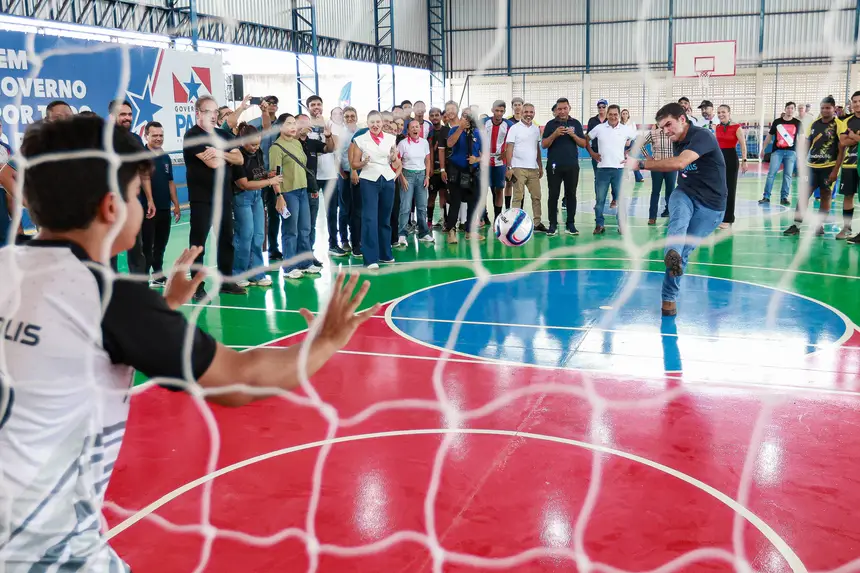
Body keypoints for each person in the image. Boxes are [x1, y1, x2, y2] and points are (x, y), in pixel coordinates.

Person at [0, 115, 378, 573]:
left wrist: (164, 308)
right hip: (47, 549)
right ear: (111, 207)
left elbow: (66, 345)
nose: (140, 202)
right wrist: (326, 342)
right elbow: (237, 380)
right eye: (137, 193)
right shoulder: (108, 299)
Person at [627, 102, 727, 317]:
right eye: (661, 127)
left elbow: (681, 163)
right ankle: (671, 257)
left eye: (668, 125)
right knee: (678, 220)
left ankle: (669, 296)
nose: (665, 131)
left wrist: (641, 165)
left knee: (685, 251)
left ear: (682, 119)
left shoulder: (702, 136)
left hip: (711, 206)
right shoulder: (677, 140)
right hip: (685, 193)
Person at [182, 95, 246, 300]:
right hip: (202, 198)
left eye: (216, 111)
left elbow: (240, 158)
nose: (213, 115)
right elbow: (213, 164)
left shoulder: (223, 135)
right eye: (208, 111)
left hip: (223, 197)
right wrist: (226, 157)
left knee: (227, 239)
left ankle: (226, 282)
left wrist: (220, 153)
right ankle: (196, 286)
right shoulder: (192, 135)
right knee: (199, 243)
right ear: (198, 113)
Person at [783, 96, 844, 237]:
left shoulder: (839, 125)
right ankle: (796, 225)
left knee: (825, 195)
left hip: (829, 167)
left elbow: (842, 149)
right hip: (811, 166)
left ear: (834, 109)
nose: (825, 110)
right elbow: (807, 143)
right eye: (822, 108)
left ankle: (819, 225)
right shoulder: (814, 124)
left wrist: (836, 170)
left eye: (828, 108)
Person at [270, 114, 319, 279]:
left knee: (305, 228)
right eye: (289, 123)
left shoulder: (297, 143)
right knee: (290, 230)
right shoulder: (276, 148)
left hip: (302, 190)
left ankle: (305, 262)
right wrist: (279, 195)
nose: (293, 127)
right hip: (288, 193)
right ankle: (290, 267)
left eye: (294, 123)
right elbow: (274, 175)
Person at [232, 122, 281, 287]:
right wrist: (270, 181)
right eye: (252, 144)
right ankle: (238, 273)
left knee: (259, 235)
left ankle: (257, 273)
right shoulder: (237, 155)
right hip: (242, 198)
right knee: (245, 235)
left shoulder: (258, 152)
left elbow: (257, 174)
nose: (255, 147)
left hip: (257, 197)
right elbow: (244, 184)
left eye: (258, 144)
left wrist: (267, 175)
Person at [351, 110, 400, 268]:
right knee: (370, 219)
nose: (375, 125)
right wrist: (363, 163)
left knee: (385, 219)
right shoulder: (360, 140)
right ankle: (370, 258)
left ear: (382, 123)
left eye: (378, 122)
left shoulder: (391, 138)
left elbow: (395, 162)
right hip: (369, 180)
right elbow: (354, 164)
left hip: (387, 179)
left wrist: (393, 157)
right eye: (372, 122)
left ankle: (385, 254)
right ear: (367, 123)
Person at [142, 121, 181, 286]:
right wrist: (150, 201)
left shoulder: (165, 157)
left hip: (164, 208)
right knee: (146, 246)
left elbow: (170, 182)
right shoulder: (142, 156)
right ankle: (142, 280)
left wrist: (176, 204)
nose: (159, 138)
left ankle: (158, 275)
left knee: (160, 244)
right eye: (155, 135)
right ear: (146, 136)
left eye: (161, 135)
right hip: (148, 210)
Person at [586, 104, 636, 235]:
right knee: (600, 200)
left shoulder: (625, 129)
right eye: (611, 114)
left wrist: (629, 153)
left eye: (615, 114)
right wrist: (592, 153)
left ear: (619, 115)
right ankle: (599, 224)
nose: (613, 117)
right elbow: (587, 138)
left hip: (619, 170)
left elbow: (638, 139)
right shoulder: (599, 128)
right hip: (602, 169)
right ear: (607, 114)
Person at [541, 97, 587, 236]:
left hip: (572, 165)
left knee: (571, 195)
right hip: (554, 166)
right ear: (556, 110)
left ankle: (570, 224)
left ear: (569, 108)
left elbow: (583, 144)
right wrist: (554, 134)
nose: (562, 111)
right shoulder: (550, 124)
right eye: (559, 109)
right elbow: (544, 144)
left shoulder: (576, 123)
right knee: (553, 195)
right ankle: (552, 224)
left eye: (564, 108)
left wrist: (574, 135)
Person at [504, 103, 546, 234]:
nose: (528, 114)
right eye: (526, 112)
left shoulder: (536, 129)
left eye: (531, 112)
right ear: (522, 113)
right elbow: (509, 148)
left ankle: (537, 223)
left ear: (534, 113)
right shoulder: (514, 128)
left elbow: (537, 149)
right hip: (518, 168)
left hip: (533, 169)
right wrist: (509, 167)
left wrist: (540, 166)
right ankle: (514, 223)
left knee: (536, 196)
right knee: (518, 196)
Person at [445, 109, 483, 243]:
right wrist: (460, 129)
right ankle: (451, 231)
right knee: (455, 202)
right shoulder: (454, 130)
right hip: (456, 171)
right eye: (464, 116)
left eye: (469, 117)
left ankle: (470, 231)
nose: (467, 119)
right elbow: (449, 144)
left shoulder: (478, 133)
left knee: (473, 202)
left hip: (472, 172)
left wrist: (476, 159)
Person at [396, 119, 434, 245]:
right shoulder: (402, 144)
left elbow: (427, 160)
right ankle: (402, 234)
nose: (415, 129)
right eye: (412, 127)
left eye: (417, 127)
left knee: (422, 206)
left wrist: (427, 177)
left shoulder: (424, 143)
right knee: (405, 206)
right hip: (407, 175)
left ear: (420, 129)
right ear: (408, 130)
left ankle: (424, 233)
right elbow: (398, 162)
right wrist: (402, 178)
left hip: (421, 175)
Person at [760, 101, 800, 206]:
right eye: (788, 108)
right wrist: (763, 148)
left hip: (791, 152)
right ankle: (766, 196)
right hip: (777, 152)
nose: (790, 110)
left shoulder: (797, 123)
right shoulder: (777, 122)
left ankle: (784, 197)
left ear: (794, 110)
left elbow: (801, 138)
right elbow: (769, 136)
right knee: (771, 174)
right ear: (785, 109)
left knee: (788, 175)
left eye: (792, 108)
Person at [714, 105, 748, 229]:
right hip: (718, 159)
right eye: (719, 112)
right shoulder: (717, 127)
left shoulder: (736, 127)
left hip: (731, 159)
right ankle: (719, 215)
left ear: (729, 113)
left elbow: (743, 145)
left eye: (723, 112)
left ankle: (728, 218)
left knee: (730, 189)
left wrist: (744, 161)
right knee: (719, 189)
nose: (721, 114)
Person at [483, 100, 514, 223]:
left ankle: (497, 217)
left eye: (502, 111)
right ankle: (484, 215)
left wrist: (506, 153)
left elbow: (512, 143)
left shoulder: (509, 125)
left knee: (499, 189)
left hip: (500, 162)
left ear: (504, 111)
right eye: (497, 110)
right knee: (483, 190)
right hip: (484, 161)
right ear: (492, 110)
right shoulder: (484, 122)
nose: (499, 113)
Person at [837, 90, 860, 242]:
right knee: (848, 196)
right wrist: (856, 137)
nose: (857, 104)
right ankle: (846, 227)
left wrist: (852, 135)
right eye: (854, 102)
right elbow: (843, 141)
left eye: (859, 101)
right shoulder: (847, 121)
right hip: (849, 164)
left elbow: (849, 138)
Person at [643, 121, 676, 224]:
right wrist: (648, 157)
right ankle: (652, 217)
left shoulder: (674, 132)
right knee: (655, 191)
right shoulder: (653, 133)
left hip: (671, 166)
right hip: (657, 167)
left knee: (670, 191)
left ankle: (670, 212)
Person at [428, 106, 449, 228]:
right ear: (429, 117)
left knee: (443, 194)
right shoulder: (428, 132)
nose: (435, 117)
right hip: (432, 169)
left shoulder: (447, 130)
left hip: (444, 168)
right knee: (431, 196)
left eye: (437, 115)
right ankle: (429, 222)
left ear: (441, 116)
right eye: (432, 115)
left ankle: (444, 219)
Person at [620, 108, 645, 183]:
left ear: (628, 115)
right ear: (621, 115)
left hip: (631, 142)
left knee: (633, 159)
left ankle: (638, 177)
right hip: (622, 143)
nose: (625, 115)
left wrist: (630, 140)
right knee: (622, 160)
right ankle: (625, 176)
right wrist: (624, 141)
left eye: (626, 113)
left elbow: (634, 133)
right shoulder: (619, 124)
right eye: (623, 113)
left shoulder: (632, 123)